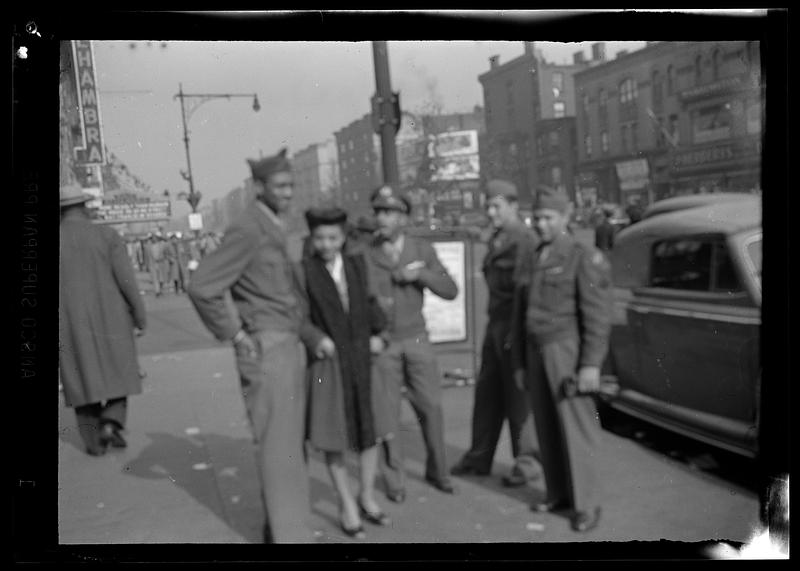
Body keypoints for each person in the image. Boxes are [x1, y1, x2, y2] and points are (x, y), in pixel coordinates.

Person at [187, 148, 314, 543]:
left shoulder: (272, 223)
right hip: (267, 348)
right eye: (280, 186)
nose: (289, 193)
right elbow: (202, 285)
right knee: (279, 449)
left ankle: (280, 530)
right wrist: (236, 334)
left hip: (287, 345)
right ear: (259, 187)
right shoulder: (248, 228)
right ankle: (290, 538)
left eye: (292, 185)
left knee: (288, 445)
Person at [510, 185, 613, 533]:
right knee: (547, 427)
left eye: (548, 218)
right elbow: (519, 314)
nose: (540, 224)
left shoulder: (581, 256)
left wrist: (590, 365)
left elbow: (597, 316)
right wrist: (521, 364)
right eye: (536, 217)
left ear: (566, 217)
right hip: (537, 351)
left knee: (577, 427)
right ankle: (558, 494)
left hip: (566, 351)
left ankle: (587, 504)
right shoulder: (534, 255)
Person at [298, 206, 393, 539]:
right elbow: (299, 316)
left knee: (371, 430)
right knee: (334, 435)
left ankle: (366, 494)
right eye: (320, 237)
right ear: (312, 237)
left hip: (362, 361)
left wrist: (381, 334)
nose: (326, 244)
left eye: (333, 238)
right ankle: (345, 503)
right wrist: (315, 338)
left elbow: (370, 304)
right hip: (328, 365)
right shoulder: (305, 272)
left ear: (343, 238)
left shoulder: (356, 265)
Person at [365, 184, 460, 502]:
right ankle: (394, 481)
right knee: (386, 414)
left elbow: (450, 290)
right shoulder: (365, 253)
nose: (382, 218)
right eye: (379, 212)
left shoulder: (421, 250)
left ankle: (438, 471)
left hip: (417, 337)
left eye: (390, 212)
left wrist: (421, 277)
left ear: (404, 217)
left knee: (431, 406)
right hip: (384, 343)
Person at [450, 180, 543, 487]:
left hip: (513, 326)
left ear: (514, 206)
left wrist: (519, 335)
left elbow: (527, 293)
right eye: (487, 206)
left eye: (497, 206)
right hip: (496, 324)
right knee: (487, 394)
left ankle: (527, 464)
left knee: (518, 398)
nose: (490, 212)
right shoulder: (500, 237)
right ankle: (479, 457)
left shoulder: (524, 240)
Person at [59, 182, 147, 456]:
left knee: (78, 376)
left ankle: (94, 442)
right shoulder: (106, 234)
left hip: (68, 320)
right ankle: (112, 420)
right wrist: (139, 315)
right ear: (85, 206)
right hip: (111, 316)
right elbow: (126, 281)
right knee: (120, 369)